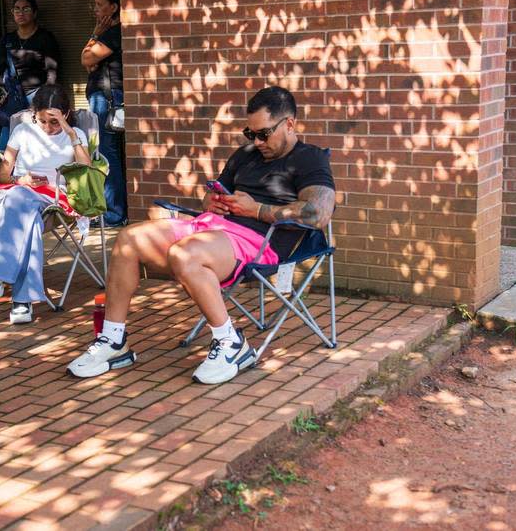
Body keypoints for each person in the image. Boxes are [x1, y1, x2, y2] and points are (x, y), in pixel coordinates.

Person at [66, 86, 335, 385]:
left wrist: (256, 210)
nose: (257, 142)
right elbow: (212, 194)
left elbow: (318, 213)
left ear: (289, 124)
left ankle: (231, 343)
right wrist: (213, 202)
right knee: (128, 239)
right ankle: (113, 342)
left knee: (185, 254)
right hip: (211, 228)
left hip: (259, 242)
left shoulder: (309, 158)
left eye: (264, 134)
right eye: (251, 134)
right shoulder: (245, 155)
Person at [0, 84, 91, 325]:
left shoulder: (75, 135)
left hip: (52, 199)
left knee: (22, 203)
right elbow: (3, 176)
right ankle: (22, 301)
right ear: (35, 115)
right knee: (25, 211)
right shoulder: (22, 131)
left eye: (55, 122)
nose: (48, 127)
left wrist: (72, 135)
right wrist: (20, 179)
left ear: (65, 114)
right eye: (42, 120)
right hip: (15, 195)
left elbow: (87, 172)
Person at [80, 0, 127, 227]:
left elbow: (86, 57)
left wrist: (95, 35)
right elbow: (89, 63)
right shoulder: (113, 33)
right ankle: (115, 211)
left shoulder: (112, 33)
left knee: (107, 155)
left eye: (99, 5)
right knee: (110, 153)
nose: (95, 10)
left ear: (114, 7)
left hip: (107, 99)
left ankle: (114, 213)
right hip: (108, 98)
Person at [0, 0, 61, 150]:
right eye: (16, 9)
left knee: (36, 139)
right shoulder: (7, 39)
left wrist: (46, 98)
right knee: (7, 139)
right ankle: (5, 172)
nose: (20, 13)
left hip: (36, 95)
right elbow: (0, 68)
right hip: (11, 96)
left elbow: (52, 71)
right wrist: (0, 90)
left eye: (26, 9)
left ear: (35, 12)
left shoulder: (45, 38)